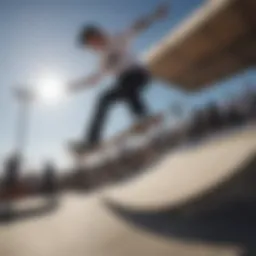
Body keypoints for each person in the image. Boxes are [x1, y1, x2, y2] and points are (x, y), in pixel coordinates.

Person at [68, 3, 170, 154]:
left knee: (126, 82)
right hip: (125, 84)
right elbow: (93, 79)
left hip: (139, 75)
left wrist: (155, 15)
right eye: (90, 46)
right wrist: (72, 87)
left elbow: (137, 26)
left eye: (93, 41)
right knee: (103, 98)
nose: (93, 46)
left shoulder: (118, 38)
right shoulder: (102, 60)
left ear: (99, 34)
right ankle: (92, 141)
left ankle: (142, 116)